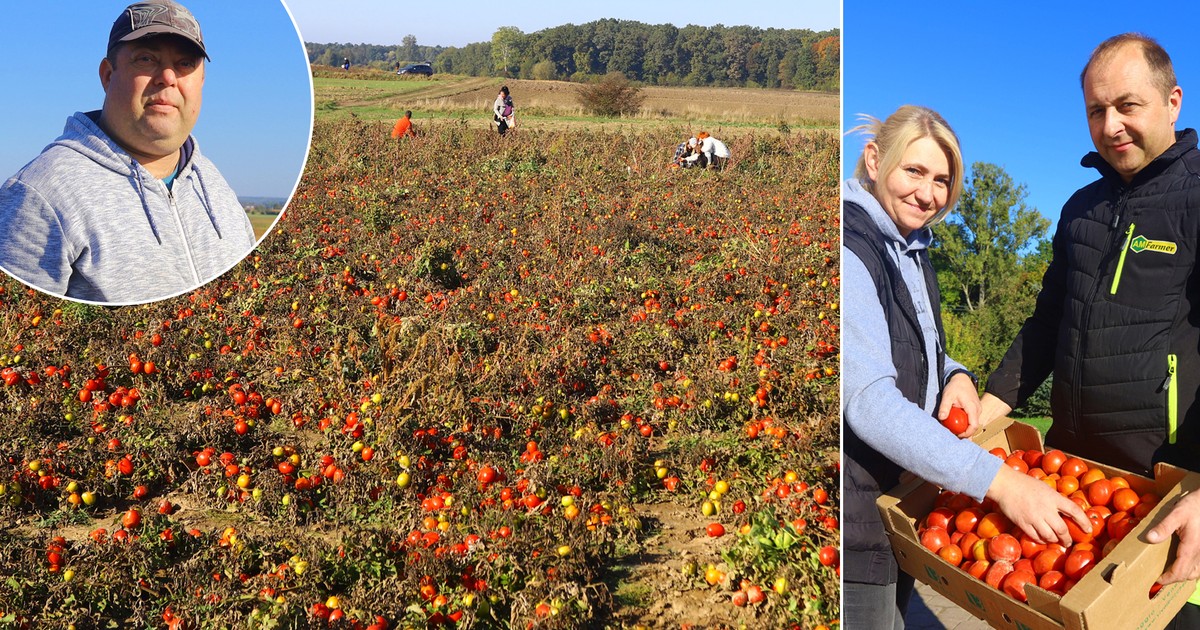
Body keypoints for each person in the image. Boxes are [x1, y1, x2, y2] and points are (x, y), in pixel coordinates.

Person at [980, 33, 1200, 625]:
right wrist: (987, 407)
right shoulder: (1081, 208)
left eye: (1127, 105)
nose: (1111, 125)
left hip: (1171, 492)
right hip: (1075, 485)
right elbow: (1048, 322)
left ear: (1173, 102)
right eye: (1096, 111)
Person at [843, 105, 1091, 629]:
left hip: (896, 505)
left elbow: (916, 348)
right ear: (872, 159)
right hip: (854, 518)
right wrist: (1000, 482)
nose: (927, 193)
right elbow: (867, 399)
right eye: (913, 171)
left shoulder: (910, 249)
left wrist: (956, 374)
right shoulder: (850, 248)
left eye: (942, 180)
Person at [0, 0, 256, 304]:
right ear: (108, 75)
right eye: (146, 59)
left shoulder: (215, 186)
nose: (168, 77)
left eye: (185, 64)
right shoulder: (39, 196)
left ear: (200, 82)